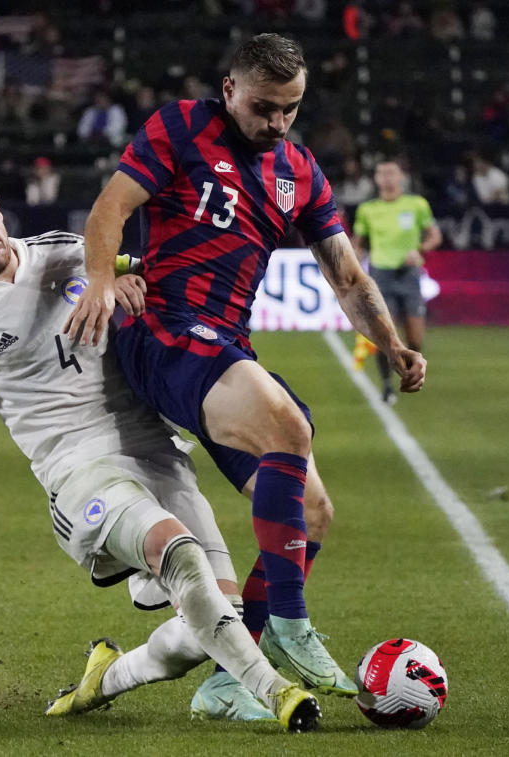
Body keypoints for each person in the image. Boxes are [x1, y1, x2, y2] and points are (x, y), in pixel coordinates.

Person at [0, 170, 322, 732]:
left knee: (217, 622)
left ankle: (109, 676)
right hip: (79, 471)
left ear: (0, 208)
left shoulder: (60, 252)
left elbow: (132, 271)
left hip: (155, 449)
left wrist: (126, 282)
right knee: (178, 554)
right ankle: (277, 693)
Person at [64, 33, 426, 696]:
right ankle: (289, 621)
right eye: (265, 107)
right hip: (164, 333)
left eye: (290, 109)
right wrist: (98, 279)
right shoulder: (180, 126)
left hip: (225, 344)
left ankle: (228, 687)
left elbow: (345, 274)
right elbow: (110, 207)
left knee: (310, 513)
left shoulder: (300, 171)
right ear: (230, 89)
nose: (277, 122)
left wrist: (391, 340)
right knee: (290, 426)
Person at [352, 157, 441, 404]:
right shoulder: (368, 209)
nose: (387, 178)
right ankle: (387, 385)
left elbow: (435, 235)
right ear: (376, 178)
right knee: (385, 337)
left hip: (409, 275)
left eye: (392, 173)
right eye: (382, 173)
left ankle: (411, 375)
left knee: (415, 339)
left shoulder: (417, 205)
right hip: (381, 275)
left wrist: (421, 249)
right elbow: (358, 244)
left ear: (401, 176)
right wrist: (354, 266)